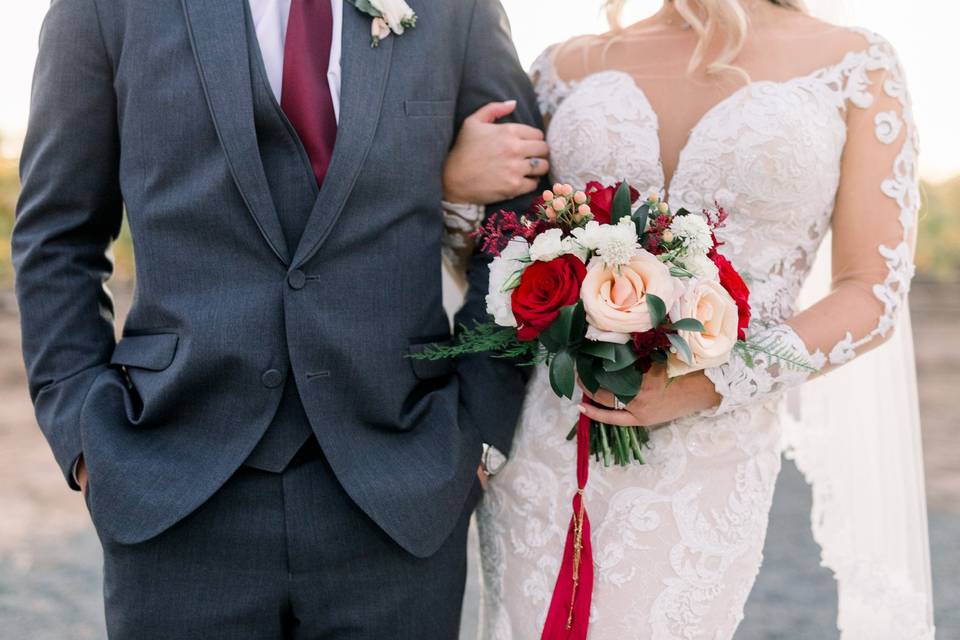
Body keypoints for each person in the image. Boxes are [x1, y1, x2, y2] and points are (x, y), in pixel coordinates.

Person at [12, 0, 548, 637]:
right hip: (172, 481)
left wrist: (479, 432)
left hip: (401, 482)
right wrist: (83, 436)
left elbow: (522, 224)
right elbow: (57, 236)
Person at [441, 1, 935, 638]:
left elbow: (872, 289)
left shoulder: (856, 65)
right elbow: (496, 262)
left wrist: (706, 385)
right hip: (552, 431)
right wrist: (455, 187)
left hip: (710, 447)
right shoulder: (565, 65)